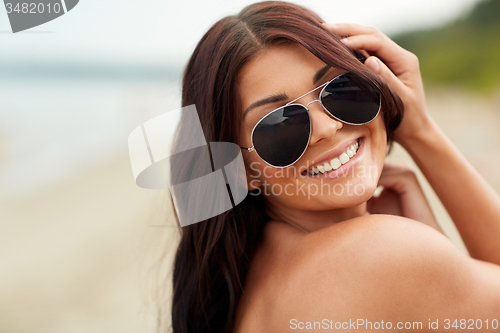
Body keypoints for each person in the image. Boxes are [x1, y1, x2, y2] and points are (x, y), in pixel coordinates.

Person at [169, 1, 500, 332]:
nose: (326, 128)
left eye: (341, 89)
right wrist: (422, 132)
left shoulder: (253, 274)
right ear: (239, 170)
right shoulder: (379, 255)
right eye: (279, 124)